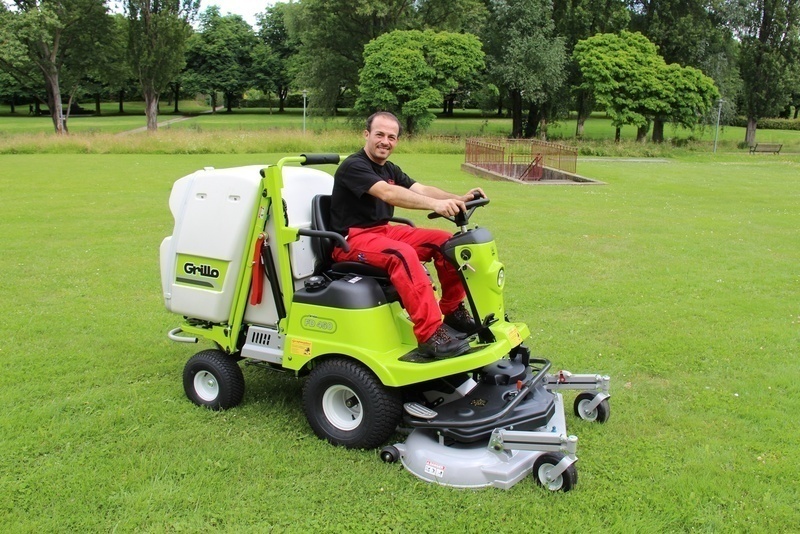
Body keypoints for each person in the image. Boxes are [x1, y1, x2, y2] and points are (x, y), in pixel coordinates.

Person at [330, 111, 485, 358]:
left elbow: (421, 189)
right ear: (366, 134)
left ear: (397, 141)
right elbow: (388, 194)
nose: (385, 141)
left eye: (391, 137)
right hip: (352, 239)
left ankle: (453, 311)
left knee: (447, 243)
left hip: (383, 231)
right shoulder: (354, 166)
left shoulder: (389, 169)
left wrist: (458, 198)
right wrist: (434, 205)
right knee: (402, 254)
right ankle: (430, 334)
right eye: (379, 134)